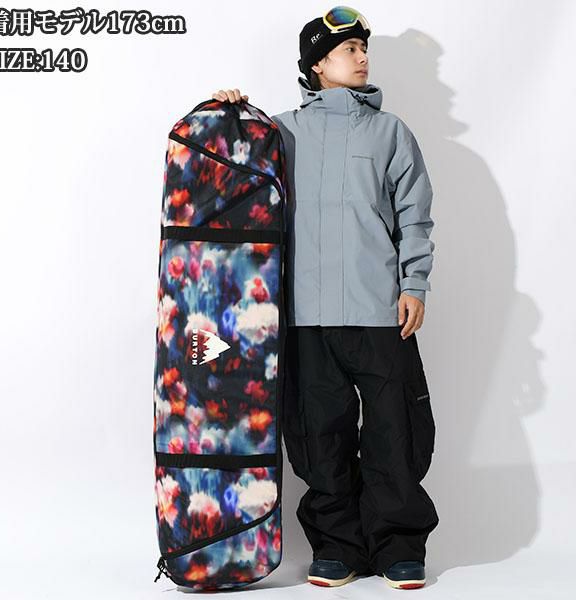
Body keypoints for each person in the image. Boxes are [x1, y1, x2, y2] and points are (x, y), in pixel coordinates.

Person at [212, 5, 438, 591]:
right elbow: (231, 176)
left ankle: (398, 545)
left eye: (365, 49)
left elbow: (415, 217)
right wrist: (227, 114)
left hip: (379, 310)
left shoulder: (390, 132)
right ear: (317, 64)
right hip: (304, 314)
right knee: (319, 436)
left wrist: (413, 284)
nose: (362, 58)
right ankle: (337, 546)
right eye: (349, 50)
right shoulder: (278, 132)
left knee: (395, 431)